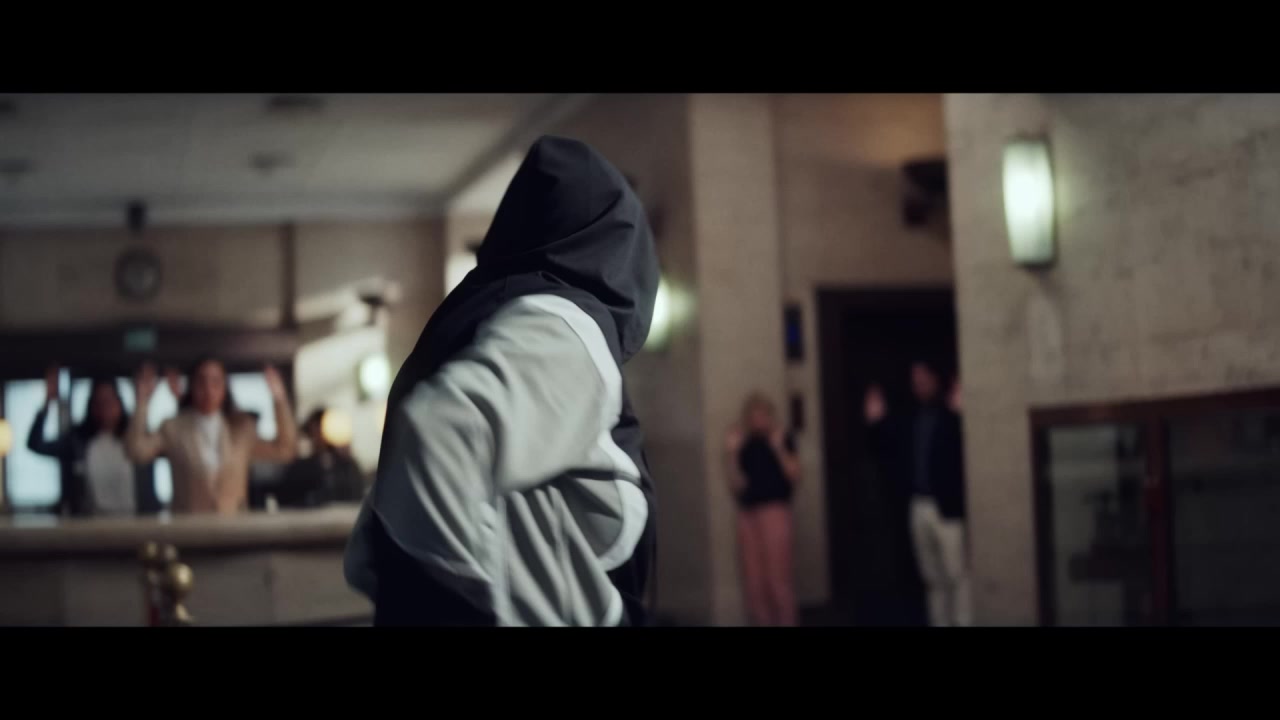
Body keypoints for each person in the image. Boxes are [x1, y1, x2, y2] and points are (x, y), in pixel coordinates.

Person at [344, 136, 658, 627]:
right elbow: (440, 434)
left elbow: (373, 545)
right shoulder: (565, 322)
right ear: (620, 242)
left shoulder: (467, 319)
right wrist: (484, 601)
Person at [865, 361, 970, 627]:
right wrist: (875, 421)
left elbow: (966, 449)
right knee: (931, 578)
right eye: (915, 380)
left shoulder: (950, 413)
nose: (919, 384)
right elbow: (886, 447)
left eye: (923, 378)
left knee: (956, 575)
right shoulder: (909, 417)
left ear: (936, 379)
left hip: (947, 506)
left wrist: (961, 413)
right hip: (918, 505)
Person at [125, 358, 297, 515]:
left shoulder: (241, 429)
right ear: (192, 386)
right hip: (189, 530)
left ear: (224, 387)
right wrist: (142, 402)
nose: (208, 389)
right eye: (201, 381)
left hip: (234, 529)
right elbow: (136, 451)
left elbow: (285, 450)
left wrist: (279, 400)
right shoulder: (173, 428)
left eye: (215, 381)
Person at [26, 367, 159, 517]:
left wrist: (143, 401)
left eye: (109, 401)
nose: (105, 409)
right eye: (99, 403)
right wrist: (48, 400)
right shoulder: (78, 441)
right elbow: (35, 444)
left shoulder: (135, 441)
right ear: (91, 406)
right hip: (91, 525)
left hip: (134, 523)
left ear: (119, 403)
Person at [725, 393, 801, 626]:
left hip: (775, 511)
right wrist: (732, 454)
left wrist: (779, 448)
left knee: (778, 580)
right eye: (753, 415)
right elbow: (737, 486)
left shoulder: (783, 439)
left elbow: (794, 475)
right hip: (748, 514)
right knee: (754, 583)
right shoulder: (745, 445)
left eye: (762, 414)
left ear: (770, 416)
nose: (758, 420)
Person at [275, 408, 366, 508]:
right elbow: (287, 497)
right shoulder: (302, 467)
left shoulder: (347, 465)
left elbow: (356, 495)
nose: (317, 436)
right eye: (314, 431)